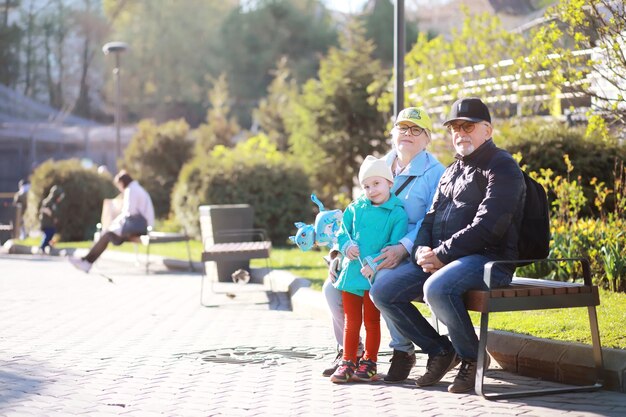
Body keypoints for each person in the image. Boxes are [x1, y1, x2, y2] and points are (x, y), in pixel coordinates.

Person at [369, 97, 526, 394]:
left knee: (436, 288)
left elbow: (489, 227)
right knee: (383, 290)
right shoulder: (453, 170)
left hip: (490, 260)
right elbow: (430, 218)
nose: (460, 133)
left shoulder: (501, 166)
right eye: (455, 127)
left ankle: (471, 358)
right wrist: (421, 251)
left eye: (468, 126)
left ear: (487, 130)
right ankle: (442, 350)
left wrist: (441, 254)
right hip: (447, 260)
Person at [322, 107, 445, 383]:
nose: (408, 134)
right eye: (402, 128)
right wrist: (341, 251)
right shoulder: (379, 164)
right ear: (392, 134)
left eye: (416, 130)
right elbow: (356, 212)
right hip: (366, 251)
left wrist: (402, 247)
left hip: (406, 250)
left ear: (427, 139)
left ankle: (402, 352)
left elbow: (431, 222)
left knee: (382, 284)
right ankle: (350, 354)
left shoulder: (436, 173)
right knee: (331, 288)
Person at [329, 156, 409, 383]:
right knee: (351, 320)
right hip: (352, 273)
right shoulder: (355, 209)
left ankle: (370, 361)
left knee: (372, 322)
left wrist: (374, 263)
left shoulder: (397, 213)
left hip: (374, 275)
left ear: (389, 184)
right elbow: (342, 232)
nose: (371, 190)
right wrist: (346, 246)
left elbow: (394, 245)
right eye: (366, 186)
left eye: (377, 184)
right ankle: (347, 361)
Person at [68, 171, 155, 273]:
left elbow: (129, 212)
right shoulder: (136, 189)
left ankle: (86, 262)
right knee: (107, 234)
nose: (119, 188)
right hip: (140, 226)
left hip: (138, 227)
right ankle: (86, 261)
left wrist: (113, 224)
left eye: (119, 185)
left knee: (107, 234)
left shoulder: (131, 190)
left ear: (122, 183)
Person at [38, 185, 65, 253]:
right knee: (48, 234)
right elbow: (45, 211)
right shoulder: (48, 202)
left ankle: (47, 246)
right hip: (46, 223)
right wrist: (52, 216)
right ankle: (42, 247)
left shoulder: (54, 203)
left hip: (51, 223)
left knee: (51, 234)